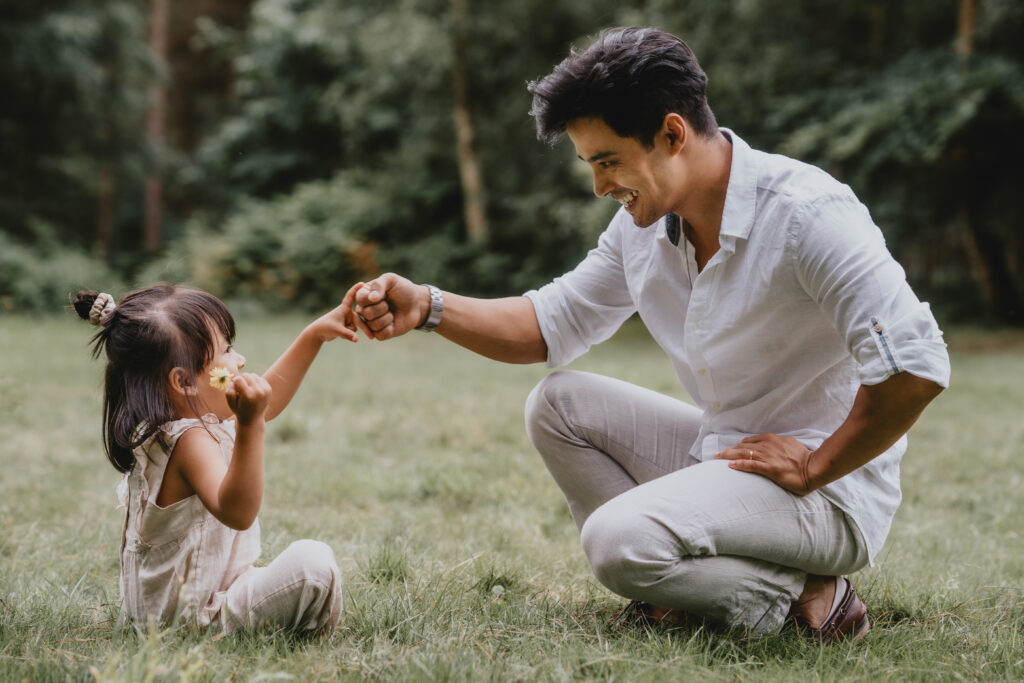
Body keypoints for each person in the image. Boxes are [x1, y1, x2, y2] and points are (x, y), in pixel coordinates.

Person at [346, 27, 950, 642]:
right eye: (591, 165)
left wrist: (819, 465)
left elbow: (917, 364)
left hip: (828, 493)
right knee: (559, 405)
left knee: (614, 541)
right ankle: (697, 590)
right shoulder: (642, 227)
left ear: (672, 134)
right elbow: (547, 325)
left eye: (607, 161)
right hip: (731, 455)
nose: (599, 185)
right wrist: (428, 307)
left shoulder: (807, 214)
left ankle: (803, 595)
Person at [74, 284, 356, 633]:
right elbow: (237, 512)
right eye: (226, 350)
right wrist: (251, 425)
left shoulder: (184, 423)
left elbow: (270, 396)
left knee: (307, 563)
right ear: (184, 383)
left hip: (190, 604)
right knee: (313, 563)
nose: (239, 360)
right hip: (196, 618)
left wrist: (314, 336)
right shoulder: (189, 440)